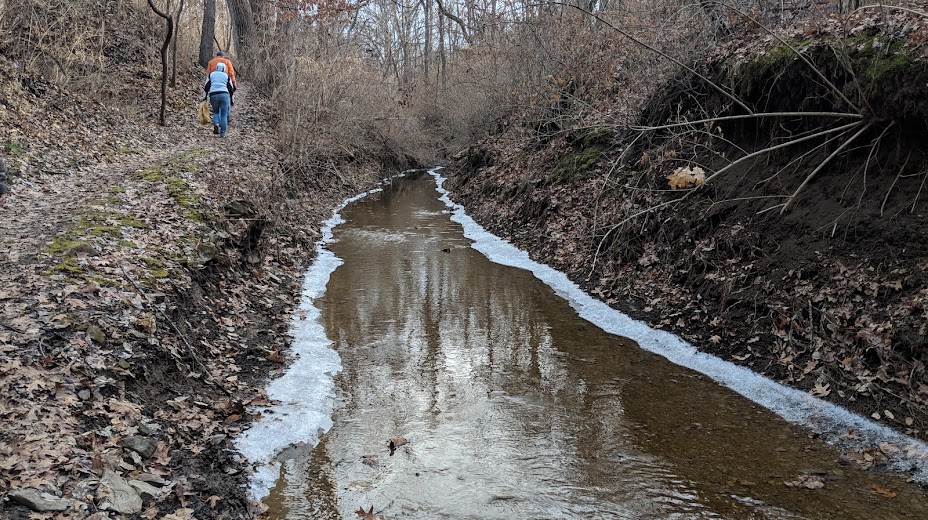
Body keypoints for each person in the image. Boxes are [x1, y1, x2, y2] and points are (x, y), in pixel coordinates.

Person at [203, 62, 235, 137]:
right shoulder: (226, 76)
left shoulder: (211, 75)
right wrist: (232, 100)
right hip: (224, 95)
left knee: (216, 111)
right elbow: (231, 89)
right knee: (224, 114)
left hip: (213, 94)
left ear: (217, 68)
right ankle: (223, 133)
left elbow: (206, 87)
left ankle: (216, 124)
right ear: (224, 69)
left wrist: (204, 97)